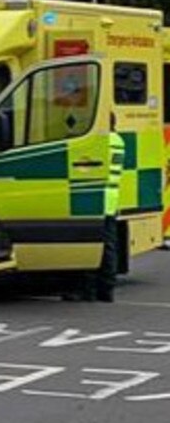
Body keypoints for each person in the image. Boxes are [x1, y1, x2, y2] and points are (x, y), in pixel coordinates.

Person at [97, 114, 125, 303]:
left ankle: (98, 289)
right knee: (109, 247)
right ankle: (107, 287)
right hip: (112, 198)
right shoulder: (118, 140)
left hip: (101, 199)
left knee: (101, 247)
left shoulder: (104, 141)